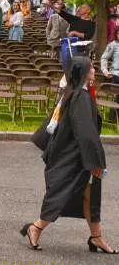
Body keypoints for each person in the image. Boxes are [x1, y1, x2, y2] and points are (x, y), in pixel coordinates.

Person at [21, 57, 115, 254]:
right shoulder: (80, 97)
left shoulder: (72, 92)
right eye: (91, 67)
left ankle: (96, 237)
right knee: (60, 194)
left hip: (74, 154)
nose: (94, 70)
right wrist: (95, 161)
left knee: (90, 195)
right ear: (83, 72)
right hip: (74, 157)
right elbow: (86, 132)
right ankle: (35, 227)